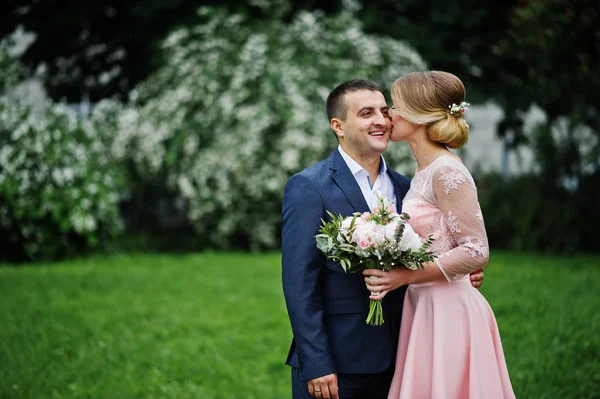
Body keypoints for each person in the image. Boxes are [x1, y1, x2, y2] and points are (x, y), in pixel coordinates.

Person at [281, 79, 484, 399]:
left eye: (383, 110)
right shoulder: (309, 186)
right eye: (366, 113)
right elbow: (298, 282)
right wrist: (317, 362)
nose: (381, 119)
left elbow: (445, 244)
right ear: (339, 126)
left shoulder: (407, 187)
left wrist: (460, 269)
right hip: (339, 361)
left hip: (407, 351)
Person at [363, 71, 515, 398]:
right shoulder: (422, 172)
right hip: (424, 306)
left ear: (418, 116)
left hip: (449, 311)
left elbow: (476, 250)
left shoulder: (446, 171)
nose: (389, 113)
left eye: (395, 105)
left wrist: (405, 276)